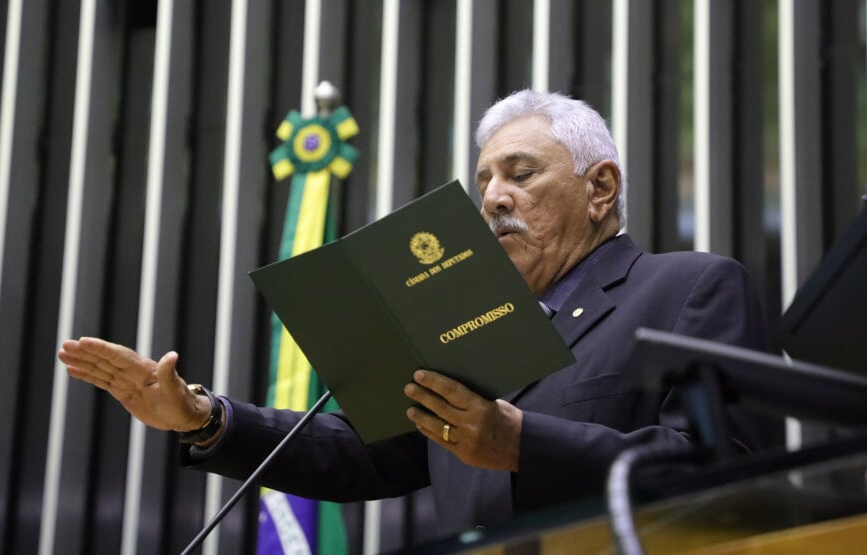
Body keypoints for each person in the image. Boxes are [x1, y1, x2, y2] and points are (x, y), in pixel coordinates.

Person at [59, 89, 777, 537]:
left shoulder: (689, 287)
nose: (494, 196)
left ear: (600, 188)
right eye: (486, 179)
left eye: (521, 174)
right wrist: (205, 417)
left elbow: (726, 469)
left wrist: (521, 441)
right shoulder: (470, 327)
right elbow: (361, 456)